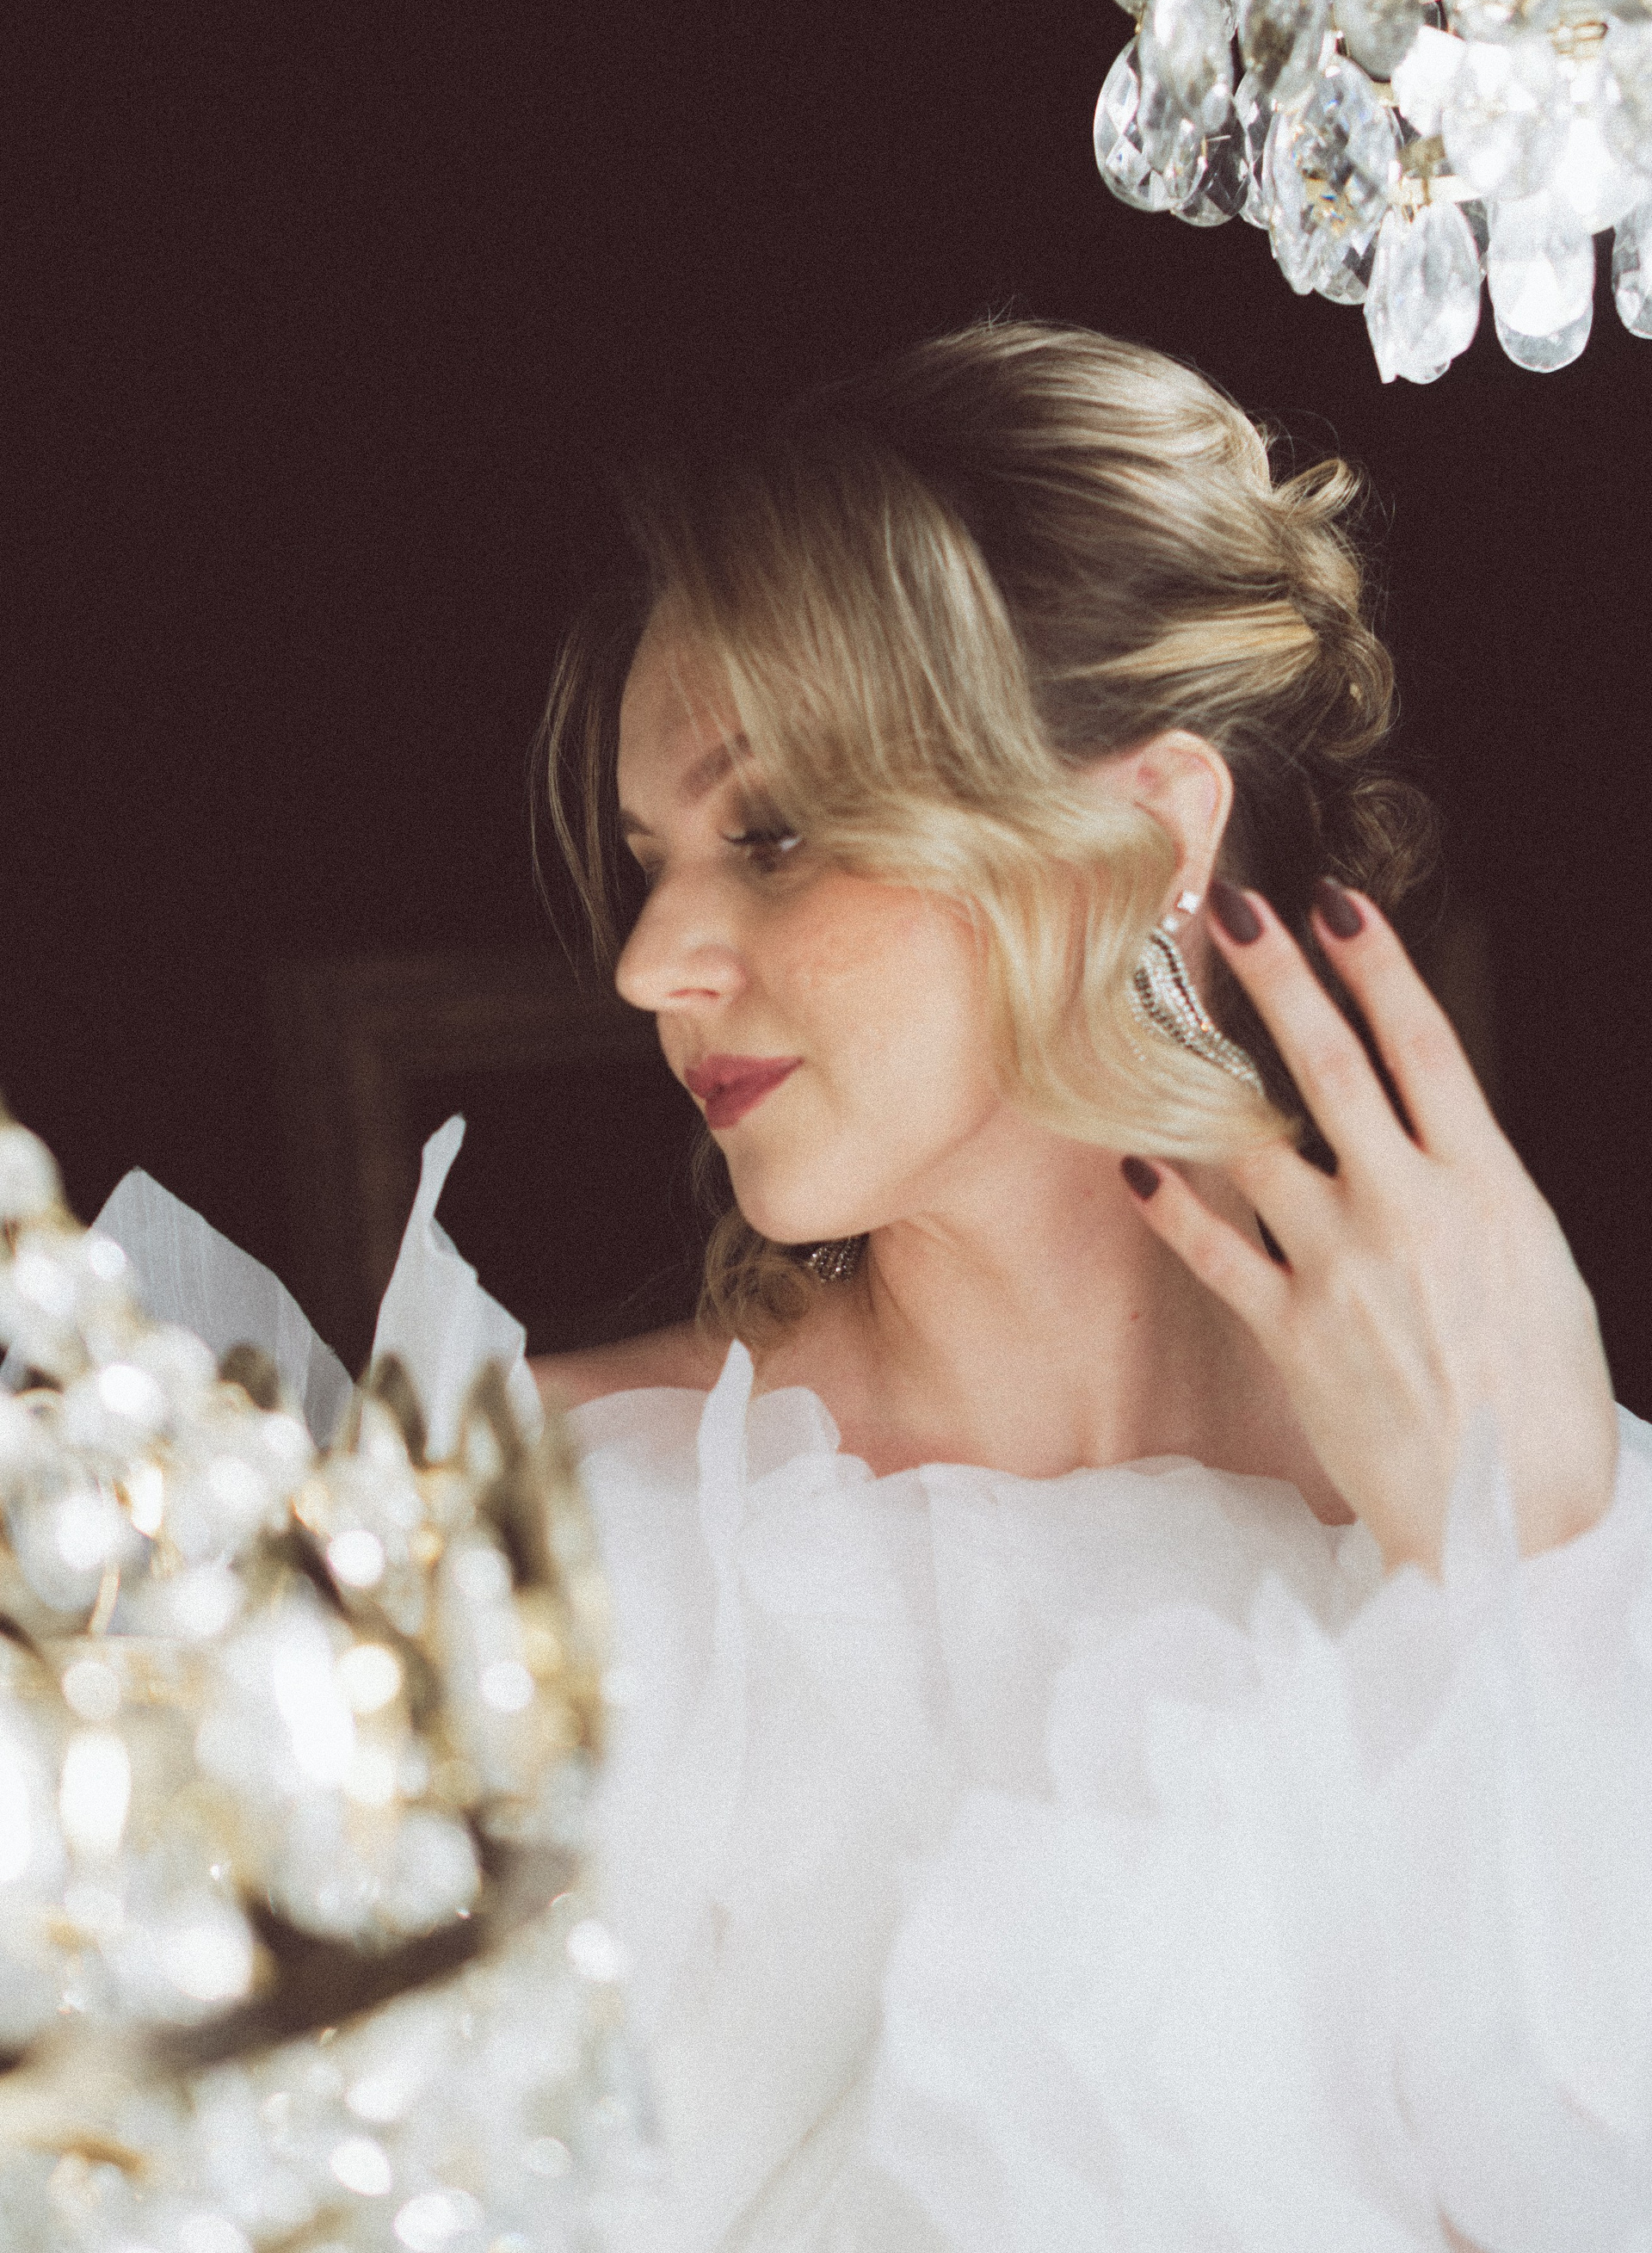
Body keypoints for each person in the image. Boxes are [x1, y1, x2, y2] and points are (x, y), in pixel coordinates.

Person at [531, 322, 1652, 2251]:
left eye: (772, 835)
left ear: (1141, 840)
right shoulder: (520, 1528)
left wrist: (1538, 1585)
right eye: (654, 861)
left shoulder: (1572, 1540)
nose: (652, 964)